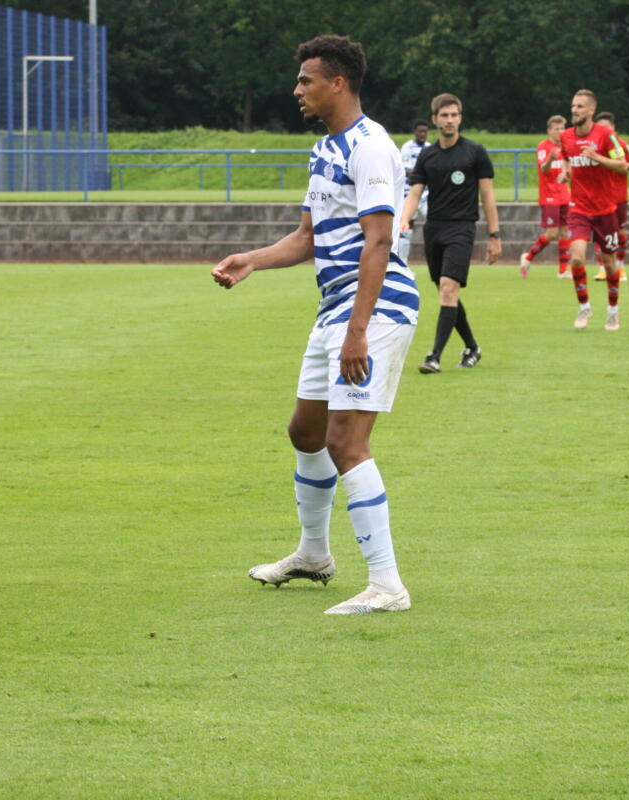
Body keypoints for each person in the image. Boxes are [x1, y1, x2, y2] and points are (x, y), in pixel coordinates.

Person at [211, 34, 418, 615]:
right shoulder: (325, 149)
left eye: (306, 80)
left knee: (346, 441)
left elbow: (380, 240)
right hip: (336, 307)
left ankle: (387, 585)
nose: (297, 89)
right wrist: (251, 259)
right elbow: (307, 238)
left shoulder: (372, 146)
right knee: (306, 432)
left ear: (338, 84)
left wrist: (357, 329)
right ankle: (312, 554)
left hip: (372, 307)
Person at [401, 93, 500, 372]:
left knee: (447, 288)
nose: (450, 120)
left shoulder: (475, 152)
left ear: (460, 118)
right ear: (435, 119)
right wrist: (404, 219)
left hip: (462, 228)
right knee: (448, 293)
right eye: (444, 115)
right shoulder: (427, 156)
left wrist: (495, 236)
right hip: (434, 230)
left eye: (454, 115)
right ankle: (472, 346)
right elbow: (415, 192)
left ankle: (434, 356)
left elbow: (488, 197)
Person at [559, 90, 628, 331]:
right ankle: (584, 306)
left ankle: (613, 311)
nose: (574, 110)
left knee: (610, 265)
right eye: (573, 106)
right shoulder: (566, 136)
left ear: (590, 111)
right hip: (578, 209)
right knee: (576, 257)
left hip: (605, 211)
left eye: (579, 107)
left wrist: (597, 157)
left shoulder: (607, 135)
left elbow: (623, 165)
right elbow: (566, 156)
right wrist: (565, 170)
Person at [519, 114, 572, 279]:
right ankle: (528, 258)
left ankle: (563, 270)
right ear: (549, 131)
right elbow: (543, 168)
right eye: (556, 129)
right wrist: (550, 159)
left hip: (565, 195)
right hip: (549, 196)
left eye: (562, 128)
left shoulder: (567, 146)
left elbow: (570, 168)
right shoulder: (544, 146)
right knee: (551, 233)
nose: (560, 132)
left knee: (565, 233)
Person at [592, 112, 629, 282]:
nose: (604, 130)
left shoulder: (621, 145)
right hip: (599, 196)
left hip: (618, 196)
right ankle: (602, 268)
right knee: (599, 233)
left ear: (613, 128)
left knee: (620, 231)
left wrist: (618, 164)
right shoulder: (594, 146)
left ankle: (620, 266)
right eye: (601, 127)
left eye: (607, 126)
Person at [397, 119, 430, 264]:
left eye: (425, 131)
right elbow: (406, 170)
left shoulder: (430, 148)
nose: (422, 134)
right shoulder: (407, 148)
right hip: (410, 193)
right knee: (407, 228)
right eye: (420, 131)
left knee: (437, 223)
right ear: (415, 132)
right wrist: (424, 173)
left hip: (427, 194)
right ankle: (403, 262)